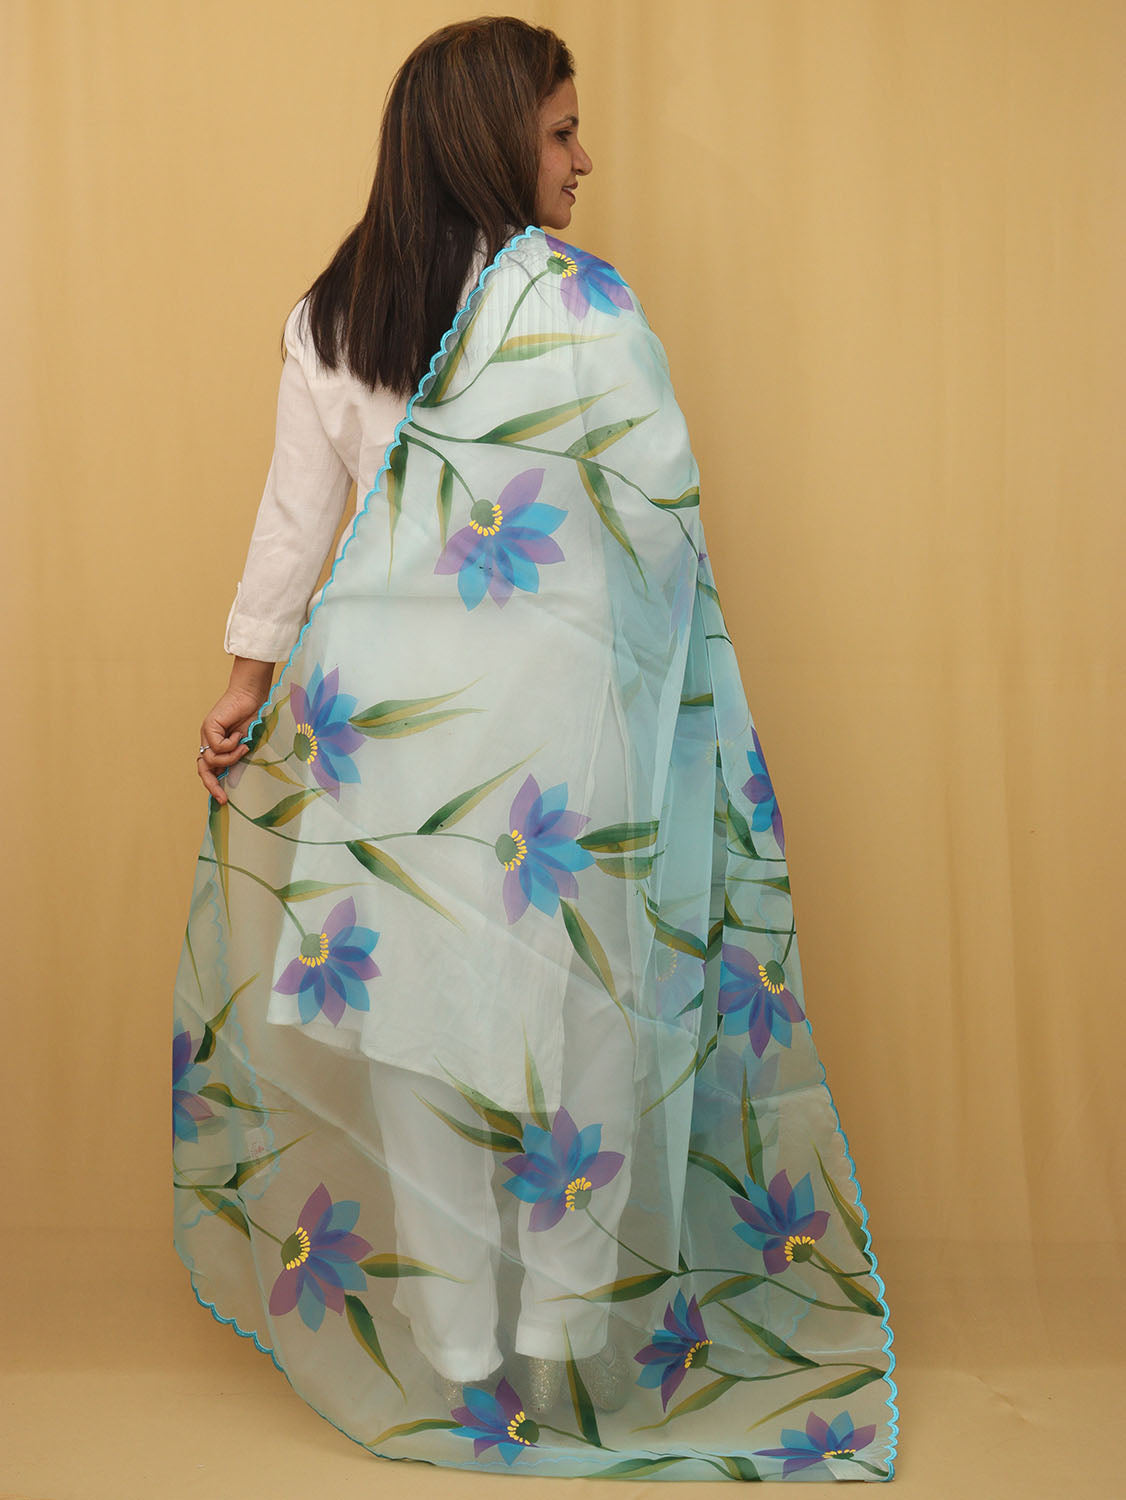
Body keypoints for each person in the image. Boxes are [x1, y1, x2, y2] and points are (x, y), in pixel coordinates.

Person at [173, 16, 898, 1481]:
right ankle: (562, 1347)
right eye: (562, 131)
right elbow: (659, 518)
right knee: (585, 1035)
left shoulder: (331, 317)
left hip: (389, 748)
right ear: (491, 140)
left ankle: (455, 1366)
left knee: (421, 1042)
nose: (584, 159)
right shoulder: (580, 311)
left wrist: (248, 678)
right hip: (562, 754)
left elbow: (297, 525)